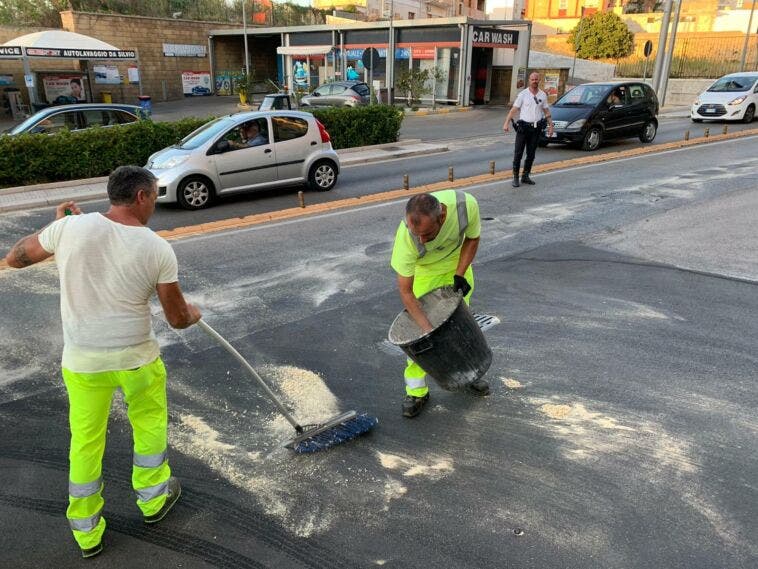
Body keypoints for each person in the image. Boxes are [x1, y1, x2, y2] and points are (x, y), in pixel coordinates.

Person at [3, 165, 201, 559]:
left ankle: (87, 532)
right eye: (155, 196)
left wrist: (56, 227)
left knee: (86, 442)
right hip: (136, 359)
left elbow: (16, 259)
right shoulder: (156, 247)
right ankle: (153, 500)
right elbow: (177, 318)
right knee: (148, 427)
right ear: (142, 197)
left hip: (83, 362)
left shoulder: (69, 229)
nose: (155, 206)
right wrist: (192, 313)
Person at [390, 191, 490, 419]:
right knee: (420, 338)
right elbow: (406, 292)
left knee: (463, 327)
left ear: (442, 217)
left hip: (457, 265)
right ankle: (416, 392)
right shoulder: (406, 236)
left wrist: (460, 274)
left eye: (426, 233)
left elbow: (473, 239)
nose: (421, 240)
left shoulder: (467, 205)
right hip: (425, 274)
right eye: (418, 235)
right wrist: (428, 331)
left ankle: (468, 375)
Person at [503, 72, 554, 188]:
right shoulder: (523, 94)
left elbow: (546, 112)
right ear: (529, 80)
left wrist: (551, 126)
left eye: (536, 79)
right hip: (523, 128)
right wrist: (506, 123)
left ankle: (525, 176)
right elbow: (513, 110)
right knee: (518, 153)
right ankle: (515, 177)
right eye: (532, 79)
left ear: (539, 80)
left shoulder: (543, 95)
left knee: (531, 154)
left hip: (536, 129)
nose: (534, 81)